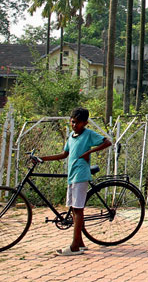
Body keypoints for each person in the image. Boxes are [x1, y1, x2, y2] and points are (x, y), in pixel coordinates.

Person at [35, 107, 112, 256]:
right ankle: (81, 243)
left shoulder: (89, 134)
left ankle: (75, 246)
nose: (74, 125)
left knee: (78, 210)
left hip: (81, 175)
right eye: (72, 122)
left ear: (84, 123)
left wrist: (89, 152)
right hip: (72, 175)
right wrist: (43, 158)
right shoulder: (71, 136)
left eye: (77, 123)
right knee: (74, 208)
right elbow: (64, 154)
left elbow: (106, 142)